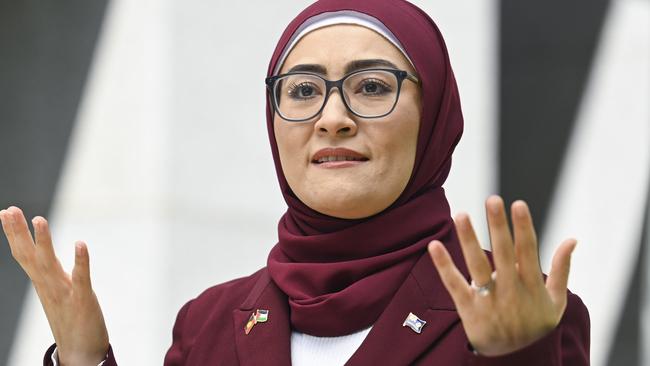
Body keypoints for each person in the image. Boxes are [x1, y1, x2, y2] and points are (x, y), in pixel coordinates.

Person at [0, 0, 590, 365]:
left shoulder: (528, 311)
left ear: (434, 116)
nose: (333, 117)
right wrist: (82, 362)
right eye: (304, 90)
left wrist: (515, 358)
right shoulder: (209, 324)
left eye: (372, 87)